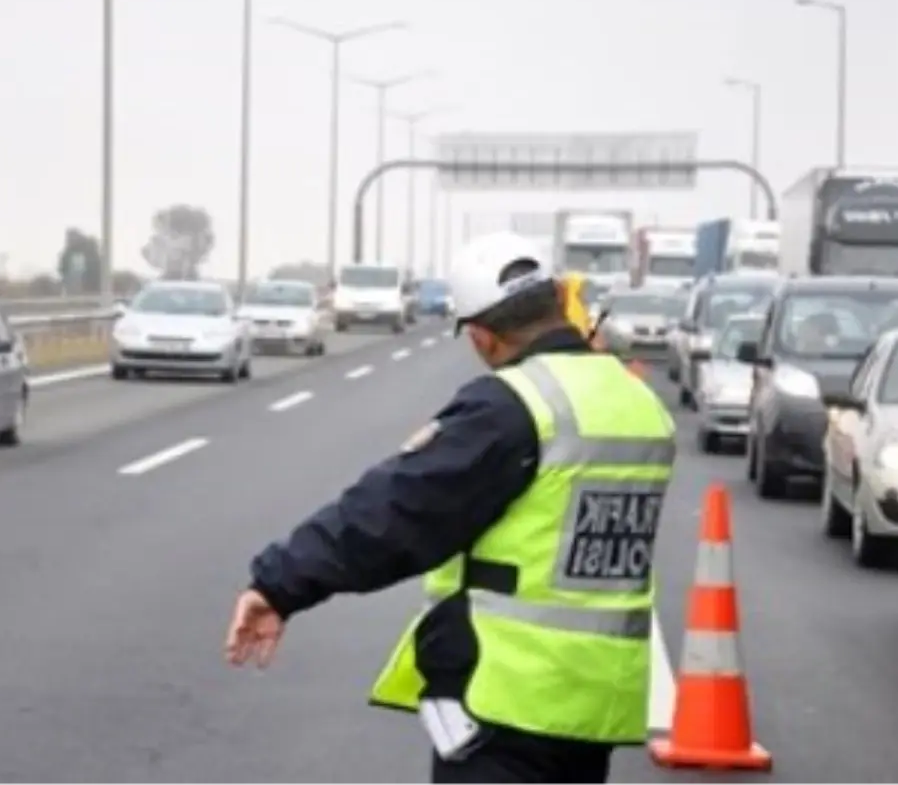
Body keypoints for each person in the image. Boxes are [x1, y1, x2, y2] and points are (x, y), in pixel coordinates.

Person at [223, 231, 678, 784]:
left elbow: (400, 510)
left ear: (483, 337)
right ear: (558, 302)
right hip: (596, 702)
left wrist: (280, 583)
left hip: (509, 700)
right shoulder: (636, 401)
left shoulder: (516, 405)